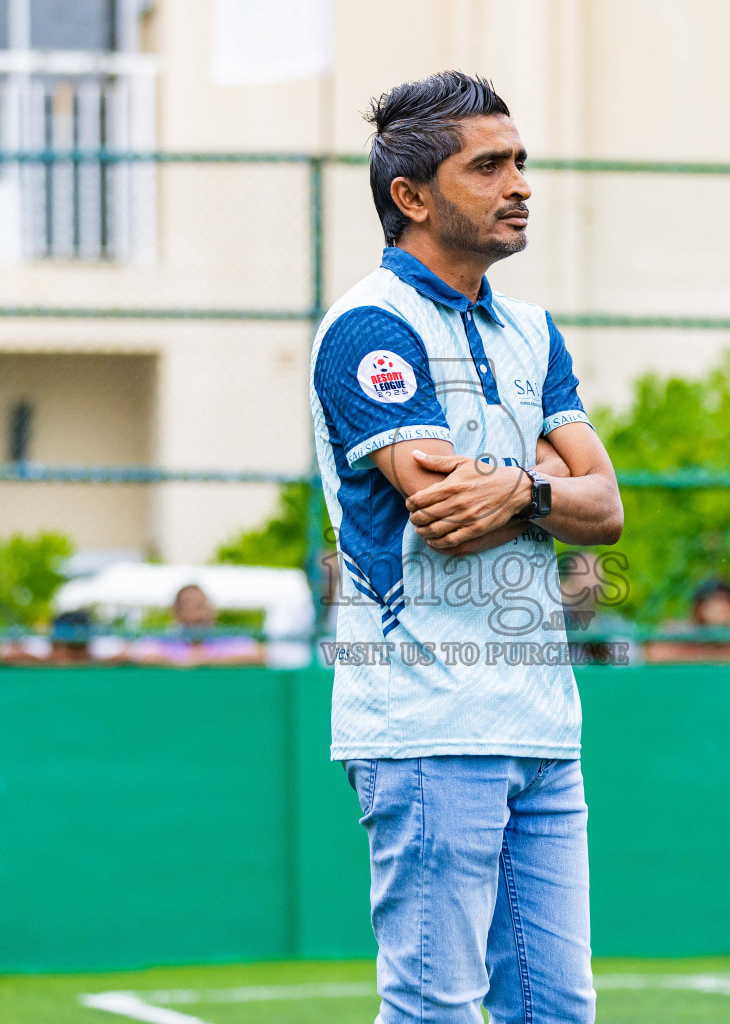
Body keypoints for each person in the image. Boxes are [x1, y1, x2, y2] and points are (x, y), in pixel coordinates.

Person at [310, 72, 623, 1023]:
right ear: (411, 197)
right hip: (426, 722)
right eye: (488, 165)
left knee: (557, 1013)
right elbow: (442, 503)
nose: (519, 183)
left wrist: (522, 488)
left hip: (541, 722)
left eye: (520, 161)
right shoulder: (368, 325)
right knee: (435, 1010)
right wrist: (538, 483)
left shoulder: (532, 329)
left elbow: (605, 507)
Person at [131, 584, 265, 667]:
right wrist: (185, 662)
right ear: (176, 612)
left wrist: (207, 662)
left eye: (202, 604)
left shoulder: (225, 639)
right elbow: (143, 655)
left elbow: (258, 654)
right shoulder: (164, 641)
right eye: (189, 605)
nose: (199, 611)